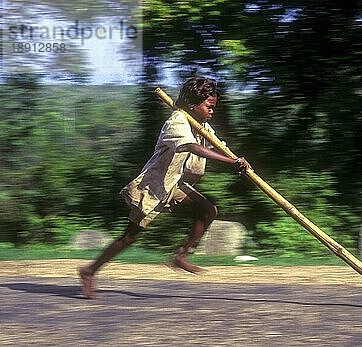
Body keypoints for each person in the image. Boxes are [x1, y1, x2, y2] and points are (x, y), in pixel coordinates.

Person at [78, 76, 251, 299]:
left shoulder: (203, 126)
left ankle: (181, 255)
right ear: (193, 105)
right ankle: (89, 271)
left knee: (208, 210)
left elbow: (219, 146)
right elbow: (192, 147)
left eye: (213, 107)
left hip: (176, 184)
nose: (212, 111)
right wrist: (230, 163)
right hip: (155, 185)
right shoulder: (176, 121)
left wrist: (237, 160)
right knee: (130, 236)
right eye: (209, 106)